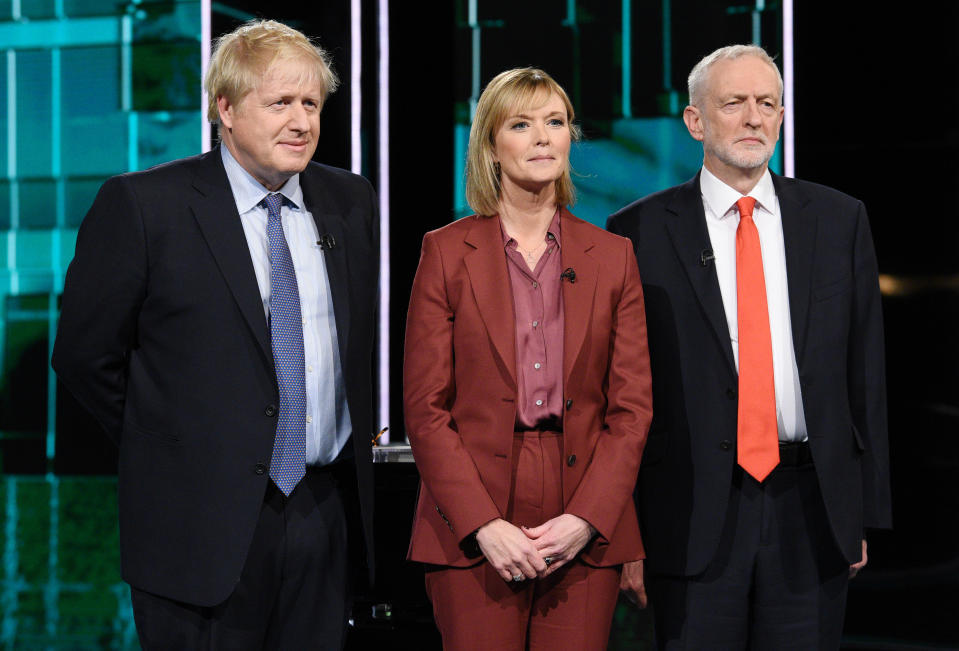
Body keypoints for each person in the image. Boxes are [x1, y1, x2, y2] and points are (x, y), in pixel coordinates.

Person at [52, 20, 377, 650]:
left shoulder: (350, 199)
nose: (301, 121)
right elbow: (86, 356)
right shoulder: (145, 205)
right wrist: (178, 443)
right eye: (280, 103)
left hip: (320, 514)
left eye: (310, 103)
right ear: (224, 108)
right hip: (194, 523)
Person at [607, 45, 892, 649]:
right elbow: (620, 393)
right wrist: (623, 531)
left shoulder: (840, 220)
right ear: (695, 121)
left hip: (813, 509)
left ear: (783, 116)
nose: (753, 117)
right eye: (734, 103)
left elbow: (864, 372)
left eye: (767, 103)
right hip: (687, 514)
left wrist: (860, 511)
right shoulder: (635, 233)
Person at [403, 67, 653, 650]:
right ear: (492, 144)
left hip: (581, 502)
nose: (543, 137)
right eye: (521, 124)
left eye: (555, 122)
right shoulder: (444, 252)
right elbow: (425, 409)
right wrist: (483, 524)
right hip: (474, 503)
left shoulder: (614, 257)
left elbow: (632, 409)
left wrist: (586, 519)